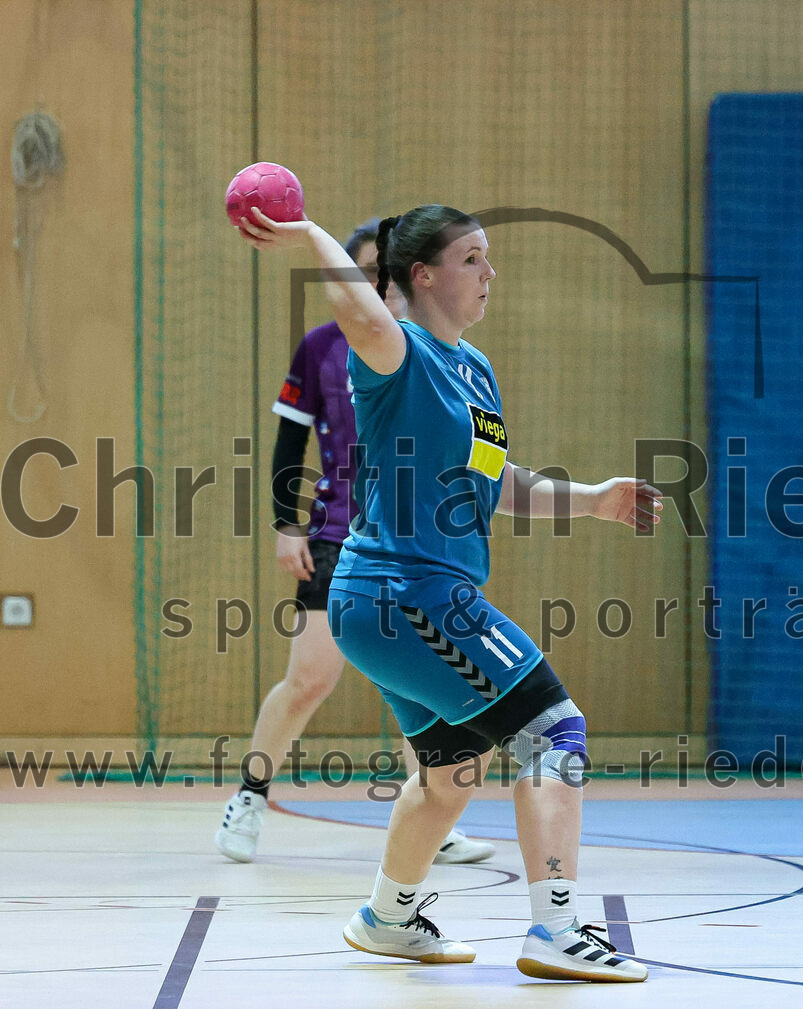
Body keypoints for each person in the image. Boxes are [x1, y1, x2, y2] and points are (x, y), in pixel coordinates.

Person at [238, 203, 661, 983]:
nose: (489, 272)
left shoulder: (477, 369)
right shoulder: (396, 355)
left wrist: (594, 497)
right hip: (408, 591)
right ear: (422, 276)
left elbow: (497, 486)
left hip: (399, 599)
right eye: (472, 259)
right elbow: (358, 309)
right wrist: (305, 235)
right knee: (553, 729)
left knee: (450, 769)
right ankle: (557, 929)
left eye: (488, 258)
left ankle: (388, 918)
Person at [215, 218, 495, 868]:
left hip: (418, 544)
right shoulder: (323, 347)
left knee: (425, 683)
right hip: (341, 535)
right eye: (364, 269)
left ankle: (434, 813)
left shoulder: (433, 353)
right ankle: (251, 795)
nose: (377, 282)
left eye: (384, 271)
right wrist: (287, 524)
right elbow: (291, 442)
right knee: (310, 677)